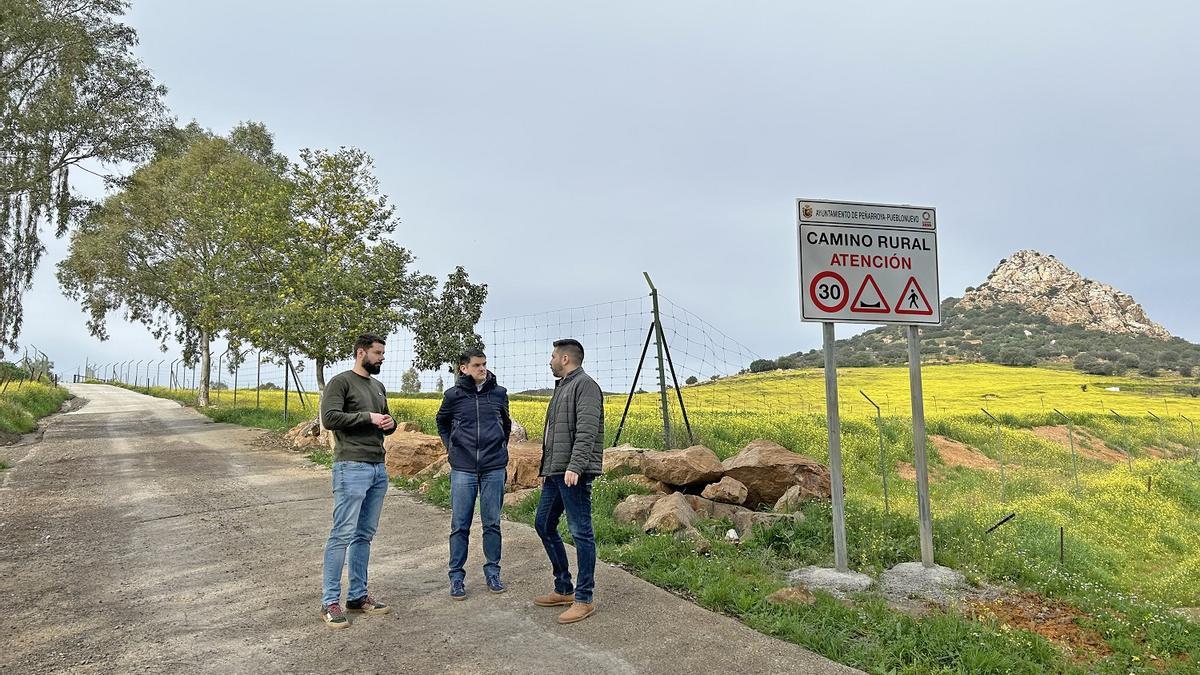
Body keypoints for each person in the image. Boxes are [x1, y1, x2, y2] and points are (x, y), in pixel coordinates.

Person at [318, 333, 397, 628]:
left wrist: (390, 424)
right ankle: (330, 602)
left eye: (382, 354)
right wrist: (368, 417)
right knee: (342, 534)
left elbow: (384, 420)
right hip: (351, 466)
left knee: (364, 535)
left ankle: (358, 596)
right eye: (377, 353)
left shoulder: (377, 386)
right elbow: (330, 418)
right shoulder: (341, 382)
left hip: (377, 468)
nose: (381, 358)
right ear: (361, 352)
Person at [532, 338, 604, 624]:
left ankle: (584, 599)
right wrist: (547, 469)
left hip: (572, 472)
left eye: (552, 357)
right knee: (543, 524)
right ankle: (564, 588)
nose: (549, 361)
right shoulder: (563, 386)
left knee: (581, 531)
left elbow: (587, 430)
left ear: (565, 359)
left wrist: (576, 465)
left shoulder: (585, 385)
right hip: (555, 472)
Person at [436, 348, 512, 600]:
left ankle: (493, 572)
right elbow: (442, 422)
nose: (483, 369)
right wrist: (452, 447)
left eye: (484, 364)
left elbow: (506, 424)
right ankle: (456, 577)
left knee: (492, 523)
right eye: (477, 365)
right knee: (460, 525)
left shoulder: (499, 394)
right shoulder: (453, 396)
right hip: (463, 468)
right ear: (464, 368)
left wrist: (500, 447)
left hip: (493, 467)